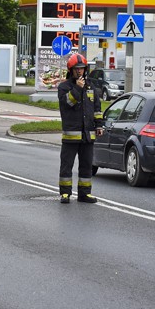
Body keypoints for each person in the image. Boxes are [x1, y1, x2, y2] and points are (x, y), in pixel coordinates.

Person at [57, 53, 104, 204]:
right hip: (71, 136)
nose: (79, 71)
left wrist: (99, 125)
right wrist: (77, 88)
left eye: (82, 68)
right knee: (67, 166)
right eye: (76, 69)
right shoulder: (64, 87)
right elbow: (67, 104)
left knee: (86, 166)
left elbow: (97, 109)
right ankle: (65, 194)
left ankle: (84, 194)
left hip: (87, 135)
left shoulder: (91, 87)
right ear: (71, 70)